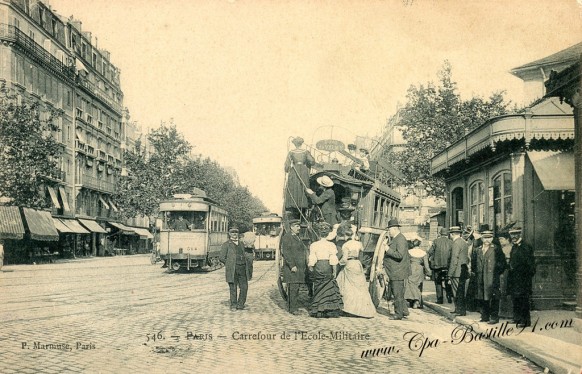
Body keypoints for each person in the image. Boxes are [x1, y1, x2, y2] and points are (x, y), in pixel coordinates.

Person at [336, 230, 376, 318]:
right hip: (357, 264)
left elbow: (345, 259)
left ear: (346, 236)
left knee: (348, 287)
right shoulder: (359, 244)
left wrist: (338, 262)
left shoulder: (345, 245)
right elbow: (362, 253)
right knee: (360, 287)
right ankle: (364, 310)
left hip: (349, 264)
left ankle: (349, 309)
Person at [308, 222, 343, 318]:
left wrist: (311, 267)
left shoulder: (314, 245)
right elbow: (333, 259)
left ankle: (318, 309)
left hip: (318, 266)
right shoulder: (331, 245)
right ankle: (328, 309)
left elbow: (312, 258)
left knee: (318, 285)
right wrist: (334, 270)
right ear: (328, 234)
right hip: (327, 266)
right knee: (328, 286)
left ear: (318, 233)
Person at [476, 229, 506, 324]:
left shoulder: (496, 249)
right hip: (481, 277)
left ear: (492, 238)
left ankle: (494, 317)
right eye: (485, 238)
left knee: (493, 297)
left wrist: (496, 273)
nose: (487, 240)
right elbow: (474, 263)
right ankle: (484, 316)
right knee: (482, 297)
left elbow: (502, 263)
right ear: (481, 238)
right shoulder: (478, 250)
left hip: (492, 277)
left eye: (489, 238)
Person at [383, 218, 411, 320]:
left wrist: (387, 249)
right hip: (395, 271)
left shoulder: (400, 239)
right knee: (399, 292)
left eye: (389, 230)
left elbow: (399, 255)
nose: (389, 232)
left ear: (394, 229)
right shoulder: (397, 238)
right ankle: (404, 311)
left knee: (397, 293)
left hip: (397, 271)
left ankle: (398, 314)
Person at [507, 227, 536, 328]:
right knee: (516, 298)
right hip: (515, 278)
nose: (513, 236)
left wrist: (525, 275)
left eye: (516, 234)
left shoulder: (525, 246)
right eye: (512, 234)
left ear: (520, 234)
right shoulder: (515, 246)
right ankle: (517, 318)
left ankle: (525, 321)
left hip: (523, 278)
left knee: (523, 299)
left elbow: (530, 264)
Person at [219, 228, 251, 311]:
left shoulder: (242, 244)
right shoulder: (226, 244)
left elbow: (248, 254)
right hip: (232, 269)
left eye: (236, 232)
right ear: (229, 234)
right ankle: (233, 304)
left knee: (244, 287)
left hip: (242, 268)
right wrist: (229, 263)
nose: (234, 234)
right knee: (233, 287)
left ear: (238, 234)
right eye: (232, 232)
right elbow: (221, 257)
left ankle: (240, 304)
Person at [280, 219, 308, 315]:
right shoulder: (287, 237)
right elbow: (286, 253)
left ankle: (292, 307)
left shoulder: (296, 236)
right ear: (291, 227)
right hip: (292, 268)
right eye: (297, 226)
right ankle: (292, 309)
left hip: (298, 267)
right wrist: (292, 265)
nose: (299, 228)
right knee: (293, 288)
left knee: (295, 288)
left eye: (299, 226)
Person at [284, 137, 315, 217]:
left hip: (294, 171)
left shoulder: (291, 152)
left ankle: (294, 206)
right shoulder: (306, 152)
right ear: (301, 143)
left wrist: (289, 168)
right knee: (304, 187)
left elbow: (286, 167)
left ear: (294, 144)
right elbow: (312, 161)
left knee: (293, 188)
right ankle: (304, 205)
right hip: (303, 172)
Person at [427, 227, 453, 304]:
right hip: (447, 266)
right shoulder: (451, 242)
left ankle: (440, 299)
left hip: (437, 266)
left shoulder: (435, 241)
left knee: (438, 282)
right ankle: (449, 297)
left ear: (440, 234)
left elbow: (430, 252)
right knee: (447, 281)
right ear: (447, 234)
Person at [405, 238, 431, 309]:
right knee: (418, 286)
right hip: (419, 270)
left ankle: (412, 300)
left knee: (410, 285)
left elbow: (406, 262)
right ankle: (417, 301)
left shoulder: (409, 252)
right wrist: (429, 273)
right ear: (419, 244)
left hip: (411, 268)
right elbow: (426, 265)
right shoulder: (423, 253)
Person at [448, 226, 469, 316]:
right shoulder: (463, 242)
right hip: (462, 269)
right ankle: (459, 309)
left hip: (456, 271)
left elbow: (454, 259)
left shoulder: (456, 243)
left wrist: (450, 273)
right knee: (461, 291)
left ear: (452, 234)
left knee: (456, 292)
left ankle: (460, 310)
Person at [497, 231, 513, 319]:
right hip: (502, 272)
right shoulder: (502, 248)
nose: (500, 241)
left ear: (507, 239)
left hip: (507, 272)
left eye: (502, 239)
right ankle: (503, 312)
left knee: (506, 291)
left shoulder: (509, 248)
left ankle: (509, 313)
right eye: (499, 239)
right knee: (502, 291)